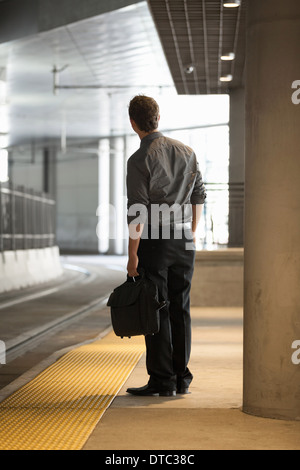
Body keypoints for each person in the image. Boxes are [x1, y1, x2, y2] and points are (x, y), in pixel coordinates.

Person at [126, 95, 206, 397]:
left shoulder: (139, 159)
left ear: (133, 123)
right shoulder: (187, 151)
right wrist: (192, 232)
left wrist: (133, 255)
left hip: (156, 241)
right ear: (157, 118)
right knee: (180, 308)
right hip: (185, 239)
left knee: (156, 308)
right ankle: (181, 378)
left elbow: (138, 209)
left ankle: (162, 381)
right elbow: (199, 195)